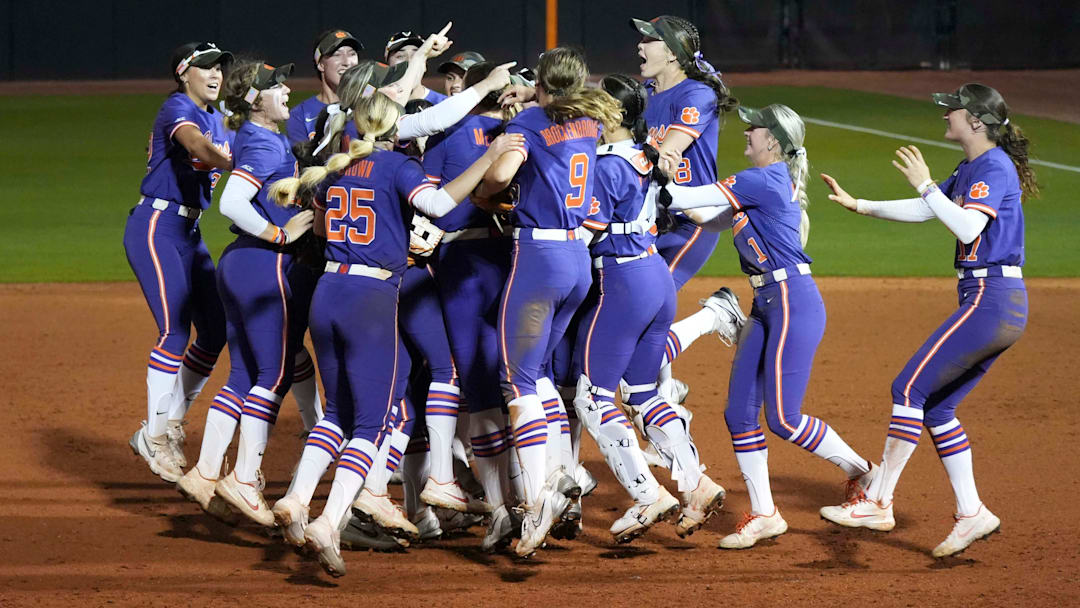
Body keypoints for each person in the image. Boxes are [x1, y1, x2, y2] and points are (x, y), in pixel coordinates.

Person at [266, 89, 522, 577]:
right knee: (371, 422)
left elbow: (320, 230)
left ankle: (298, 498)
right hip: (370, 299)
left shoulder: (338, 167)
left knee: (336, 411)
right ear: (397, 126)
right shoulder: (397, 167)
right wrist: (489, 156)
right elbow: (441, 204)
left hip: (327, 293)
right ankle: (329, 520)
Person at [818, 83, 1033, 558]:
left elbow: (968, 226)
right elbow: (927, 211)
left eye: (951, 110)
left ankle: (878, 499)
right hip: (993, 299)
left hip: (990, 297)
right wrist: (862, 205)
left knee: (908, 388)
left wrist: (925, 183)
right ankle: (972, 511)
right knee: (936, 408)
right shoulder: (973, 167)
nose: (944, 116)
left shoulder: (993, 166)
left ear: (975, 120)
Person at [662, 104, 875, 549]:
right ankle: (764, 514)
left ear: (773, 141)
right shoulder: (757, 185)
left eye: (754, 128)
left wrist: (649, 172)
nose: (747, 132)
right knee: (739, 413)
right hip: (764, 304)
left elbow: (685, 199)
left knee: (783, 418)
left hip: (793, 301)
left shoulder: (765, 177)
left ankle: (865, 474)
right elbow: (703, 215)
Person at [474, 46, 622, 558]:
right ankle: (562, 475)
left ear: (540, 82)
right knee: (536, 374)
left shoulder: (534, 121)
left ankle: (538, 499)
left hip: (537, 262)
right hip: (578, 262)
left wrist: (489, 184)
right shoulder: (589, 119)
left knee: (516, 380)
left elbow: (498, 177)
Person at [570, 74, 727, 542]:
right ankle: (696, 484)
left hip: (624, 282)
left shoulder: (608, 166)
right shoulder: (649, 156)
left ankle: (647, 494)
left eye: (594, 109)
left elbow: (583, 236)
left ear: (612, 116)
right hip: (657, 277)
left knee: (592, 398)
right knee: (641, 394)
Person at [174, 62, 319, 526]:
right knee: (273, 375)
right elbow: (233, 202)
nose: (285, 89)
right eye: (275, 85)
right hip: (264, 264)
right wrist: (280, 237)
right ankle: (243, 476)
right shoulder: (261, 141)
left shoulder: (261, 139)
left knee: (243, 374)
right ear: (254, 98)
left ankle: (205, 472)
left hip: (240, 262)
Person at [422, 61, 523, 551]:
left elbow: (427, 203)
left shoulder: (448, 132)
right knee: (520, 378)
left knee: (477, 387)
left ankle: (500, 507)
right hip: (512, 259)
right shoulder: (519, 129)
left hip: (460, 261)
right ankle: (538, 492)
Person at [125, 42, 234, 483]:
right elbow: (200, 149)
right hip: (156, 225)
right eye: (206, 67)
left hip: (189, 232)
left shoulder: (220, 115)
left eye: (219, 67)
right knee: (175, 330)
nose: (216, 74)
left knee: (216, 330)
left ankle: (171, 419)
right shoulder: (176, 109)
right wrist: (236, 161)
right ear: (184, 73)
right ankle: (151, 435)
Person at [630, 15, 737, 290]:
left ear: (671, 54)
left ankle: (715, 315)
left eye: (647, 40)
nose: (639, 47)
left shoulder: (697, 94)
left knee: (652, 298)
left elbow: (664, 155)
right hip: (649, 216)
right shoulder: (644, 94)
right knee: (624, 297)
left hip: (689, 219)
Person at [285, 29, 362, 146]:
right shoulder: (300, 114)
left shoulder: (369, 106)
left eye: (352, 54)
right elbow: (302, 161)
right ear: (321, 64)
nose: (347, 62)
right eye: (337, 55)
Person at [385, 30, 448, 103]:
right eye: (400, 56)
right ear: (388, 63)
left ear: (425, 65)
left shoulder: (444, 105)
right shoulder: (375, 104)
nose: (409, 62)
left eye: (416, 55)